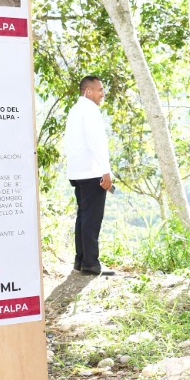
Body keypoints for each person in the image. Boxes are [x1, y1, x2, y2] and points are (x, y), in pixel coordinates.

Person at [61, 76, 113, 275]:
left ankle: (80, 260)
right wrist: (105, 171)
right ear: (88, 91)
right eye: (99, 90)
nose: (102, 94)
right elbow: (96, 143)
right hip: (92, 172)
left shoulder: (74, 110)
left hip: (77, 172)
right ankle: (91, 263)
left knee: (83, 217)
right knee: (92, 218)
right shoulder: (90, 111)